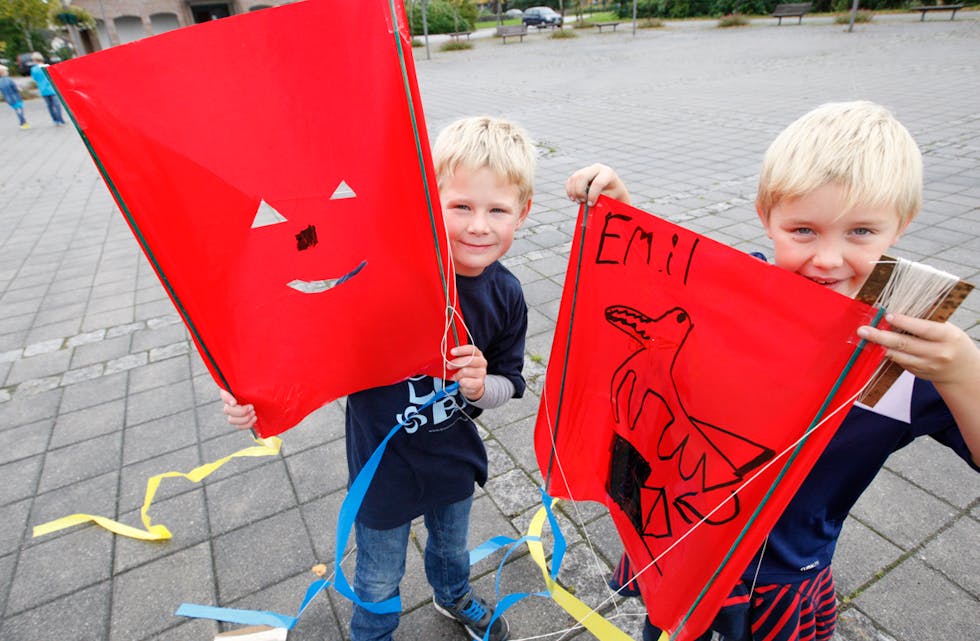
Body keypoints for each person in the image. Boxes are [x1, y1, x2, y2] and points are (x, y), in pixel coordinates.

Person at [566, 100, 980, 641]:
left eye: (860, 232)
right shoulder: (744, 295)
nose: (828, 259)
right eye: (803, 230)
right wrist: (624, 215)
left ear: (901, 225)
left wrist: (962, 373)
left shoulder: (913, 354)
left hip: (783, 575)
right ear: (766, 217)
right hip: (682, 535)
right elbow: (666, 303)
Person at [223, 115, 535, 641]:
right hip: (382, 469)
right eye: (461, 206)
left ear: (522, 214)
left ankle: (453, 595)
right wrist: (255, 398)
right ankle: (372, 633)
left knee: (451, 548)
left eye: (496, 210)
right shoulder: (377, 277)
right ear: (429, 202)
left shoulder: (508, 296)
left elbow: (511, 380)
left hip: (453, 462)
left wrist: (483, 388)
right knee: (377, 574)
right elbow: (305, 347)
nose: (479, 225)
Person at [30, 52, 66, 125]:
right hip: (52, 89)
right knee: (57, 105)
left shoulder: (33, 69)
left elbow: (34, 79)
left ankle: (55, 120)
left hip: (43, 90)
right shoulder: (47, 66)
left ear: (34, 60)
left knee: (49, 106)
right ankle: (61, 119)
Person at [0, 65, 29, 129]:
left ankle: (23, 122)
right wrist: (20, 88)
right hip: (16, 98)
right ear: (4, 72)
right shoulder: (9, 79)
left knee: (17, 110)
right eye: (6, 71)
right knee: (20, 110)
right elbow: (15, 88)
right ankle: (23, 123)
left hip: (8, 99)